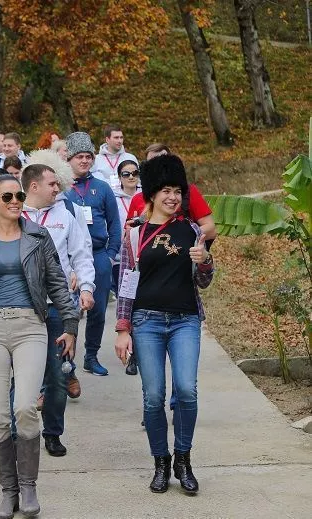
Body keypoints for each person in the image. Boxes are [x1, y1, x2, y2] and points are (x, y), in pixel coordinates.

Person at [0, 175, 79, 519]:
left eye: (19, 195)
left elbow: (56, 280)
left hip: (30, 327)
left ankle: (28, 486)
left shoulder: (38, 236)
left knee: (25, 406)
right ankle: (8, 491)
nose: (15, 200)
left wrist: (70, 325)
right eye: (6, 195)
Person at [114, 154, 214, 495]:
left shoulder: (192, 229)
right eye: (166, 191)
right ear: (152, 193)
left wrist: (205, 262)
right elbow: (126, 282)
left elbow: (205, 280)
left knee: (186, 390)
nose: (172, 197)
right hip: (147, 321)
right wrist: (122, 328)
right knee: (153, 396)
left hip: (185, 319)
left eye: (177, 191)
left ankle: (184, 458)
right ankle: (161, 462)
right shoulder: (134, 233)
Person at [21, 153, 96, 457]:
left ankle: (52, 432)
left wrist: (87, 287)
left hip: (56, 306)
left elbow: (81, 254)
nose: (58, 188)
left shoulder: (65, 215)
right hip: (21, 307)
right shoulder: (13, 216)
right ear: (34, 185)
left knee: (57, 374)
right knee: (20, 374)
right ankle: (19, 432)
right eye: (52, 184)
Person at [64, 132, 121, 377]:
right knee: (68, 309)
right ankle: (67, 362)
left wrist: (110, 255)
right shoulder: (61, 188)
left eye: (88, 156)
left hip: (98, 254)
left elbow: (115, 224)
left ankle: (91, 355)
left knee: (97, 310)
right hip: (68, 257)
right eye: (79, 157)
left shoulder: (102, 187)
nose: (84, 161)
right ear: (69, 159)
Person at [126, 145, 216, 241]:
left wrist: (178, 236)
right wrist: (132, 233)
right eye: (153, 162)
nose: (160, 166)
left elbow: (210, 229)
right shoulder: (138, 198)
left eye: (164, 160)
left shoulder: (188, 192)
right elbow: (128, 235)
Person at [113, 159, 141, 293]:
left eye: (135, 173)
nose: (131, 177)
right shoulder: (113, 198)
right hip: (120, 256)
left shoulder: (147, 196)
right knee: (124, 295)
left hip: (142, 252)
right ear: (119, 177)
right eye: (126, 174)